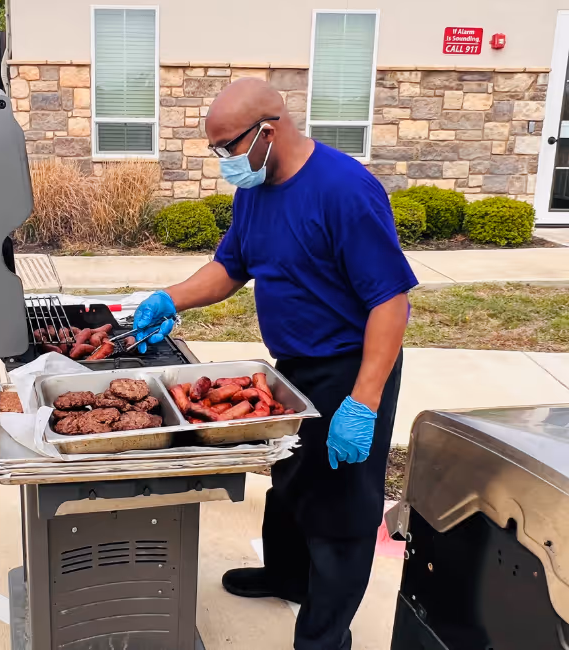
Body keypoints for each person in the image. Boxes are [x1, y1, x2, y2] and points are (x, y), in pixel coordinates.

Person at [132, 78, 418, 650]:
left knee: (341, 511)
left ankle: (324, 635)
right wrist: (171, 297)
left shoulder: (344, 190)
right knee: (290, 481)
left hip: (350, 367)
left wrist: (362, 402)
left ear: (269, 129)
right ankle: (284, 576)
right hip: (294, 364)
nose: (224, 162)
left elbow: (391, 302)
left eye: (227, 148)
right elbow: (232, 266)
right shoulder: (255, 190)